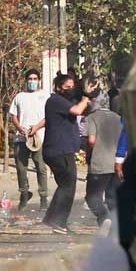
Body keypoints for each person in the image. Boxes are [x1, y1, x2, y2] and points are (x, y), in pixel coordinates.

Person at [42, 73, 91, 234]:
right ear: (58, 88)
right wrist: (85, 99)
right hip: (59, 150)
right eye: (67, 87)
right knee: (68, 185)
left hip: (62, 149)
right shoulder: (56, 100)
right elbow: (77, 111)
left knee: (65, 185)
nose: (70, 90)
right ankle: (58, 221)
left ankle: (52, 219)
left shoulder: (62, 101)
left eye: (72, 87)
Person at [9, 68, 50, 213]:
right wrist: (19, 127)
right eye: (30, 79)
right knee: (21, 167)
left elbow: (48, 116)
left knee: (40, 167)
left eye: (35, 79)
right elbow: (13, 115)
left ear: (39, 80)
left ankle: (43, 197)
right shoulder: (20, 96)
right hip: (22, 137)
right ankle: (24, 193)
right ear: (26, 81)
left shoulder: (45, 96)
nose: (32, 81)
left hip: (38, 136)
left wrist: (37, 127)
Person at [84, 92, 124, 228]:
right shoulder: (118, 118)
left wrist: (88, 154)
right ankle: (117, 226)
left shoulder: (92, 118)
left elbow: (91, 141)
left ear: (94, 102)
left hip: (99, 163)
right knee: (112, 198)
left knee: (92, 197)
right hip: (117, 164)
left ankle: (104, 218)